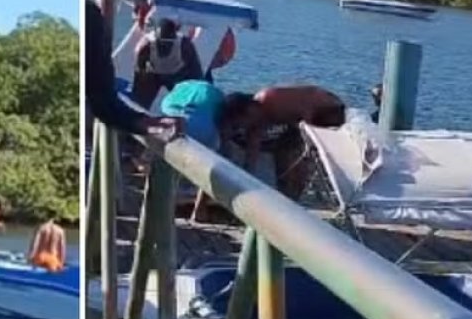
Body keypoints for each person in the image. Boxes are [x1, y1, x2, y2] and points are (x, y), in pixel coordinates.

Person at [218, 85, 348, 199]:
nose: (247, 127)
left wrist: (309, 139)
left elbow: (307, 102)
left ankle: (294, 193)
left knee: (293, 150)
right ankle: (286, 193)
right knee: (281, 149)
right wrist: (246, 176)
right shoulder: (255, 122)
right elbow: (253, 152)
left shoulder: (269, 98)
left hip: (327, 109)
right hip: (298, 122)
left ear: (250, 109)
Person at [85, 0, 184, 141]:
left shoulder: (90, 17)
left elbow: (102, 97)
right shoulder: (143, 48)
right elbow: (139, 80)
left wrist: (144, 122)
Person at [132, 18, 203, 109]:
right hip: (154, 74)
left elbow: (196, 72)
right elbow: (139, 74)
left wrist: (193, 94)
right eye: (161, 43)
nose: (164, 47)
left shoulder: (185, 45)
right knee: (138, 103)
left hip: (177, 75)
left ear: (175, 38)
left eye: (168, 43)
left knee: (186, 103)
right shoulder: (144, 46)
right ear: (155, 38)